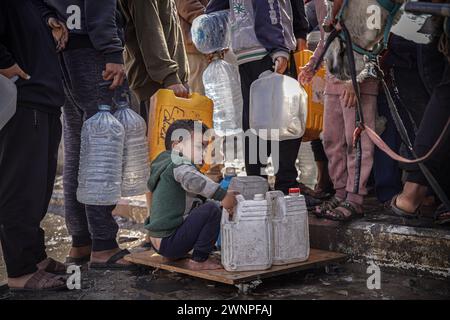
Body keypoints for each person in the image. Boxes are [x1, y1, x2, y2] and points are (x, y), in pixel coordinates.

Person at [36, 0, 134, 269]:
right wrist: (112, 51)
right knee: (101, 149)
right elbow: (101, 7)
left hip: (63, 46)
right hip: (93, 49)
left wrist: (49, 19)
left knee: (78, 148)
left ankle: (81, 241)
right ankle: (103, 244)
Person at [206, 0, 315, 198]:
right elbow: (269, 6)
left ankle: (257, 186)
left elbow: (213, 10)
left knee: (254, 120)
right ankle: (286, 186)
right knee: (285, 118)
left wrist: (214, 42)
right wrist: (279, 47)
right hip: (268, 49)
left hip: (245, 52)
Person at [0, 0, 67, 291]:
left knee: (39, 188)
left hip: (44, 99)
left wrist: (50, 18)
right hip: (24, 100)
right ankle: (20, 270)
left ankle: (34, 257)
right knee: (21, 189)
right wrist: (6, 64)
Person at [299, 0, 379, 221]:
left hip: (357, 78)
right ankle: (341, 191)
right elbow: (328, 36)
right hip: (334, 77)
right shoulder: (321, 3)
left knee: (356, 141)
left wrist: (356, 79)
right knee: (331, 139)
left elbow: (373, 34)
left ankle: (355, 199)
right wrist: (314, 64)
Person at [145, 120, 237, 270]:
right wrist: (222, 195)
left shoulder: (166, 164)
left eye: (206, 147)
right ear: (177, 146)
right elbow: (194, 181)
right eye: (199, 146)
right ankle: (199, 260)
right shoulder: (178, 163)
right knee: (211, 210)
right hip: (170, 241)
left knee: (209, 206)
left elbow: (195, 196)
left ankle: (175, 254)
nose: (204, 151)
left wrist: (223, 198)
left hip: (161, 241)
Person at [118, 0, 190, 123]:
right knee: (159, 141)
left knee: (183, 139)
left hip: (172, 82)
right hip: (156, 86)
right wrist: (169, 77)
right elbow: (149, 32)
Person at [175, 0, 209, 95]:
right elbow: (188, 6)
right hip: (196, 45)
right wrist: (213, 21)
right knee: (200, 92)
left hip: (203, 43)